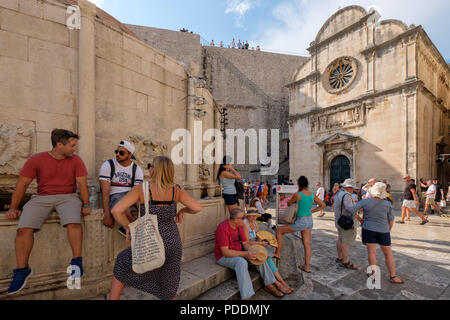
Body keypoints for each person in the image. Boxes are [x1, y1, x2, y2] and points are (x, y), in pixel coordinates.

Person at [5, 129, 91, 295]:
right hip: (41, 197)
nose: (75, 149)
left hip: (68, 196)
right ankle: (22, 270)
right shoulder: (36, 160)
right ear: (60, 145)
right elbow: (22, 185)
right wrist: (13, 208)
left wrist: (86, 204)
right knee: (23, 229)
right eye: (72, 145)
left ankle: (76, 262)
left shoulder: (76, 161)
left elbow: (82, 185)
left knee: (74, 221)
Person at [109, 156, 202, 300]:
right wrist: (182, 211)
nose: (148, 168)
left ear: (155, 170)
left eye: (150, 165)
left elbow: (116, 211)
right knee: (169, 287)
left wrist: (128, 227)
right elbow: (197, 207)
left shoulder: (142, 189)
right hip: (172, 243)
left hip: (150, 243)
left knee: (122, 264)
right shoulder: (176, 190)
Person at [215, 208, 285, 299]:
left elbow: (245, 243)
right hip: (223, 256)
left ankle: (269, 284)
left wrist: (251, 251)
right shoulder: (223, 228)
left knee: (259, 255)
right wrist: (245, 254)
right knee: (241, 262)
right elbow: (225, 252)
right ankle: (246, 297)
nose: (244, 219)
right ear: (235, 220)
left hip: (239, 251)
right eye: (242, 217)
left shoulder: (240, 226)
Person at [349, 182, 404, 284]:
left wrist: (360, 219)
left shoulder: (365, 201)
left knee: (372, 252)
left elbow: (351, 210)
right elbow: (391, 220)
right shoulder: (387, 204)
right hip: (384, 230)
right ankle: (393, 276)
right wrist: (388, 230)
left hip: (368, 229)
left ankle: (373, 275)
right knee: (388, 254)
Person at [273, 176, 326, 273]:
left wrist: (289, 198)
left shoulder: (297, 195)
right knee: (307, 244)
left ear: (298, 184)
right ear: (307, 184)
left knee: (278, 231)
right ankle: (306, 266)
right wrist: (312, 211)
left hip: (301, 220)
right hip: (309, 220)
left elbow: (288, 204)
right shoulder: (312, 195)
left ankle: (277, 253)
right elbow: (323, 205)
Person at [99, 141, 144, 237]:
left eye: (122, 153)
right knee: (125, 209)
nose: (118, 155)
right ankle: (136, 234)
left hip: (130, 195)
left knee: (145, 207)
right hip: (114, 196)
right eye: (117, 151)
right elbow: (105, 192)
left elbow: (136, 192)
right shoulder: (108, 165)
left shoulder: (137, 169)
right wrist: (107, 215)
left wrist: (143, 208)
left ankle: (130, 231)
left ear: (130, 155)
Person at [243, 208, 293, 294]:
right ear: (248, 216)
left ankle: (282, 282)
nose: (255, 218)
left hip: (256, 245)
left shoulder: (255, 224)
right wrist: (260, 243)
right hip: (248, 247)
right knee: (264, 258)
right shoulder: (244, 225)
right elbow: (246, 242)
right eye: (253, 216)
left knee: (268, 258)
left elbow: (258, 236)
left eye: (256, 216)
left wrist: (264, 240)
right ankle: (277, 283)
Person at [334, 179, 363, 270]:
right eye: (352, 188)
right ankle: (345, 261)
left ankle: (340, 257)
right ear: (349, 187)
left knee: (340, 239)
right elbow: (351, 210)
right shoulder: (346, 196)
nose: (353, 190)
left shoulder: (338, 193)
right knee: (346, 242)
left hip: (339, 220)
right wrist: (360, 219)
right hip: (346, 222)